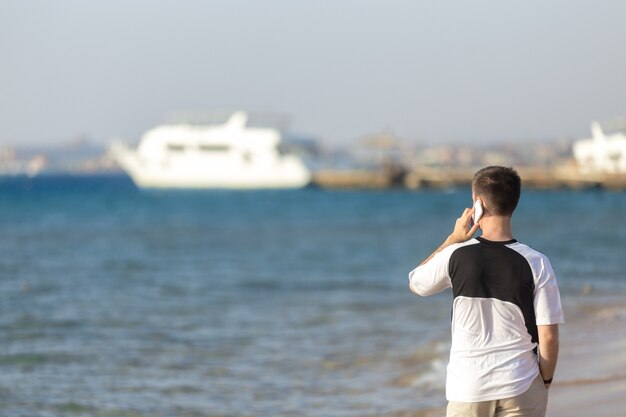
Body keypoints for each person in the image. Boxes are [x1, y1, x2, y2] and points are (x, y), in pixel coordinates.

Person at [408, 166, 564, 417]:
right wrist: (545, 381)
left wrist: (453, 238)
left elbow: (416, 283)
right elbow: (548, 338)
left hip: (468, 389)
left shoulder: (455, 255)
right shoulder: (537, 262)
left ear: (478, 203)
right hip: (520, 384)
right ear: (514, 203)